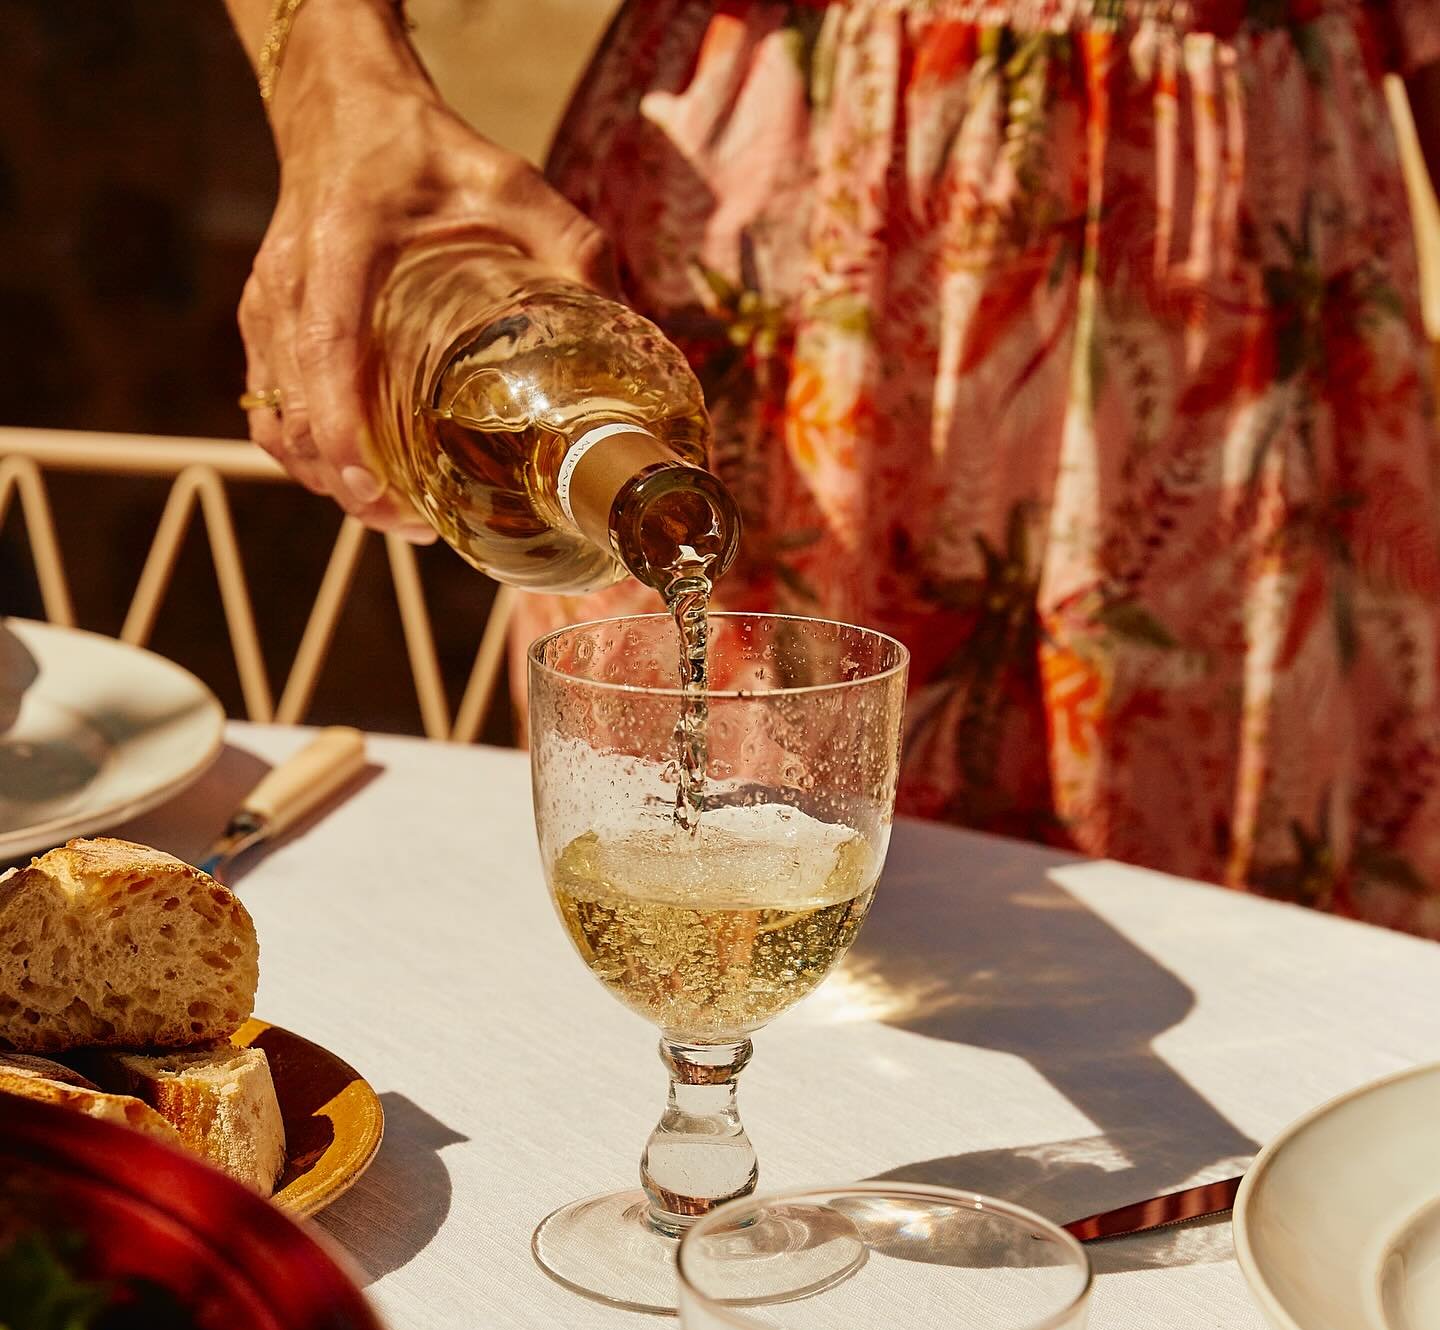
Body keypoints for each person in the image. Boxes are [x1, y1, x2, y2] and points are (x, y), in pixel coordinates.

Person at [224, 0, 1440, 934]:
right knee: (709, 887)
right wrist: (342, 88)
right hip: (782, 229)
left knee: (1242, 989)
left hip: (1249, 278)